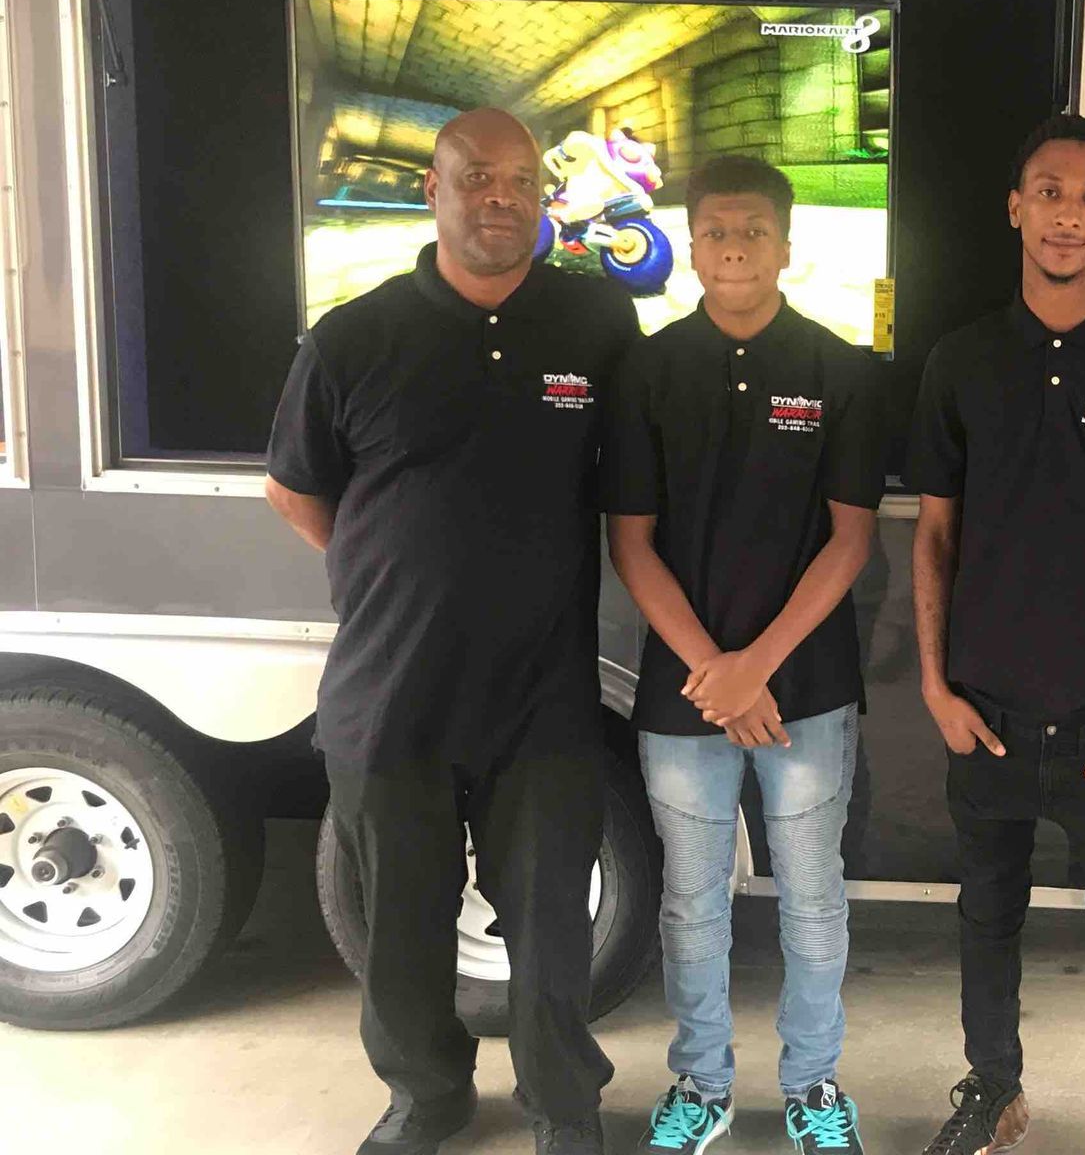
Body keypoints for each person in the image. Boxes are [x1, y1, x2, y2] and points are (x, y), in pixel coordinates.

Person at [264, 108, 639, 1155]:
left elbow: (631, 485)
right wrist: (389, 573)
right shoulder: (353, 337)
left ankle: (564, 1105)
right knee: (401, 927)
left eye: (518, 178)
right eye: (476, 177)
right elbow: (294, 490)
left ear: (542, 195)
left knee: (551, 924)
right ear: (433, 190)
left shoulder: (597, 323)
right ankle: (426, 1097)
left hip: (543, 694)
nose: (499, 196)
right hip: (392, 691)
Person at [908, 113, 1085, 1155]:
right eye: (1049, 191)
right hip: (984, 714)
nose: (1067, 215)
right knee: (986, 918)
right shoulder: (961, 362)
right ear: (1014, 208)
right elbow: (934, 536)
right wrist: (937, 688)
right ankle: (994, 1092)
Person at [602, 155, 883, 1155]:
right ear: (690, 245)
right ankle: (702, 1084)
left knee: (812, 900)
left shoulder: (840, 372)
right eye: (716, 231)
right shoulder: (646, 372)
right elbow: (631, 543)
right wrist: (717, 674)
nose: (734, 247)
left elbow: (851, 540)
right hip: (685, 694)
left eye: (753, 230)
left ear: (786, 247)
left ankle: (813, 1085)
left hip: (805, 689)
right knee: (691, 902)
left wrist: (755, 665)